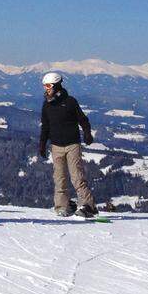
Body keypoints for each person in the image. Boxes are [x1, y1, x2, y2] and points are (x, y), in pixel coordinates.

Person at [38, 72, 98, 218]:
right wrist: (42, 143)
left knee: (77, 176)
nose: (46, 89)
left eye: (48, 86)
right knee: (59, 178)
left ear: (56, 85)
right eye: (44, 86)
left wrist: (87, 133)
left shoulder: (70, 102)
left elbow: (83, 119)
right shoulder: (47, 105)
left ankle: (88, 206)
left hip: (72, 145)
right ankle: (62, 206)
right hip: (56, 146)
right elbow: (45, 126)